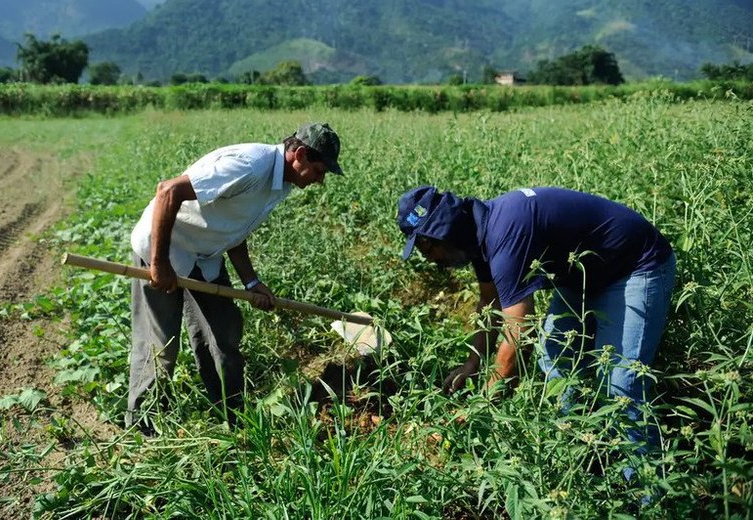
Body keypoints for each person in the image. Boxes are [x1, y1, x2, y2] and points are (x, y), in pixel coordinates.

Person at [396, 185, 676, 455]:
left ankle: (644, 491)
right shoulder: (477, 235)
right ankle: (575, 449)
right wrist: (473, 362)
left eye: (425, 248)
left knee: (621, 386)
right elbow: (489, 303)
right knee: (555, 358)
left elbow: (519, 333)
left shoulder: (505, 234)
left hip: (636, 266)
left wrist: (479, 408)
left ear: (441, 233)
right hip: (582, 273)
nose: (429, 258)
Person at [127, 122, 343, 430]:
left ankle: (232, 417)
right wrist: (159, 263)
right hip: (164, 248)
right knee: (161, 346)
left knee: (224, 334)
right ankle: (141, 426)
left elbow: (235, 228)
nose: (321, 180)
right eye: (320, 170)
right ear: (301, 155)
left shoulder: (280, 184)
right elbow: (168, 191)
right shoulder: (250, 166)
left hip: (205, 256)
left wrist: (252, 282)